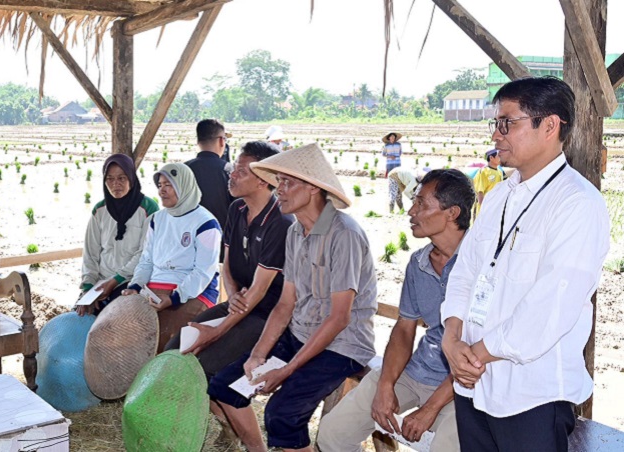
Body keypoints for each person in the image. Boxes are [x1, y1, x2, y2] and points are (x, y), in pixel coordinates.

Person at [441, 77, 610, 452]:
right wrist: (452, 339)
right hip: (474, 384)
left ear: (550, 125)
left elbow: (551, 306)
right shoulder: (500, 194)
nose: (497, 135)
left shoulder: (577, 204)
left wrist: (474, 354)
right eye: (495, 124)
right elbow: (465, 271)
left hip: (530, 395)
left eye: (508, 123)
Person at [207, 143, 378, 452]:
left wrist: (286, 370)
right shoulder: (295, 232)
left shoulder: (344, 234)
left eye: (286, 182)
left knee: (281, 414)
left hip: (341, 346)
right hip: (301, 335)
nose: (278, 190)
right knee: (226, 387)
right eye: (278, 182)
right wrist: (259, 355)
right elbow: (286, 304)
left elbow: (340, 318)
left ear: (312, 188)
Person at [318, 169, 475, 452]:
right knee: (332, 434)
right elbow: (404, 329)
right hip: (416, 373)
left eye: (422, 204)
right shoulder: (419, 262)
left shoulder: (483, 264)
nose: (411, 212)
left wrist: (429, 409)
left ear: (452, 213)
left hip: (466, 390)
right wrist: (385, 385)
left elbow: (477, 354)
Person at [165, 141, 293, 380]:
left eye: (241, 172)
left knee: (205, 365)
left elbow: (259, 290)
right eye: (234, 168)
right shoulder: (237, 209)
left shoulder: (280, 223)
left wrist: (213, 333)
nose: (231, 175)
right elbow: (227, 264)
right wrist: (232, 294)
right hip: (239, 303)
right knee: (174, 348)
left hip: (265, 314)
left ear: (263, 180)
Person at [123, 162, 221, 351]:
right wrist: (135, 286)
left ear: (184, 186)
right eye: (160, 185)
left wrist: (174, 298)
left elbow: (202, 272)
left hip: (193, 292)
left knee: (166, 338)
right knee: (125, 333)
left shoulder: (206, 223)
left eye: (169, 185)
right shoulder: (157, 220)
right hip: (154, 289)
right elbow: (147, 261)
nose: (162, 191)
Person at [76, 154, 158, 316]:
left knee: (116, 324)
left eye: (122, 178)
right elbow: (90, 253)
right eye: (110, 179)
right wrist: (87, 288)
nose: (115, 184)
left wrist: (116, 281)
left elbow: (145, 253)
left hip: (132, 281)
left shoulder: (148, 208)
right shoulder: (99, 210)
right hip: (100, 282)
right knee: (79, 317)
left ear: (132, 178)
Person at [186, 119, 234, 231]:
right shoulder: (230, 170)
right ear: (222, 141)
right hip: (221, 236)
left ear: (198, 141)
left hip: (187, 236)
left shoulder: (184, 169)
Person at [472, 149, 504, 218]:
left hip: (495, 208)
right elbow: (480, 192)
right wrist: (484, 209)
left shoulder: (500, 172)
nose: (500, 158)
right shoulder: (483, 172)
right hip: (485, 209)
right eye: (498, 156)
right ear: (491, 158)